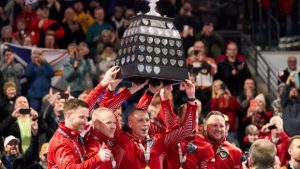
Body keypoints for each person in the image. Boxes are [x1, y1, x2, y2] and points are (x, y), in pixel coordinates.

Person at [47, 66, 120, 168]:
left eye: (86, 117)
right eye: (82, 117)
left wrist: (106, 86)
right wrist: (98, 158)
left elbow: (91, 105)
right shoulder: (61, 142)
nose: (86, 122)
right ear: (69, 116)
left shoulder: (74, 132)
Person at [116, 79, 197, 169]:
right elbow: (139, 111)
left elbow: (187, 129)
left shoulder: (159, 141)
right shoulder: (122, 139)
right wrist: (151, 92)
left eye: (147, 120)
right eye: (140, 121)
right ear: (130, 123)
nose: (145, 123)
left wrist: (191, 97)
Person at [159, 85, 215, 169]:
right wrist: (165, 97)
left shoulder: (205, 145)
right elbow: (168, 116)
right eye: (188, 117)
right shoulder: (172, 137)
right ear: (178, 119)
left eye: (195, 117)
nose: (192, 120)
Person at [280, 72, 300, 136]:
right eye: (291, 90)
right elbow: (285, 90)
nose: (294, 91)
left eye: (295, 90)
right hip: (287, 137)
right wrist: (289, 77)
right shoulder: (285, 104)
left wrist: (295, 84)